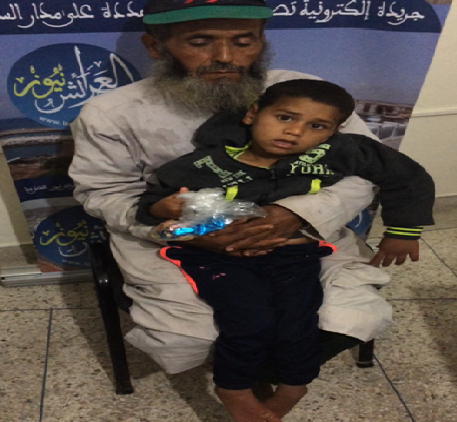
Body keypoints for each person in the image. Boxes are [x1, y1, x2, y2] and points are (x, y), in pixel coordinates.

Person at [69, 0, 394, 395]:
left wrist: (293, 214)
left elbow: (367, 171)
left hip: (302, 234)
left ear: (262, 42)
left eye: (243, 42)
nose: (225, 57)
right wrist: (185, 230)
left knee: (349, 316)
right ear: (156, 46)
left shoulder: (308, 94)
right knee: (188, 334)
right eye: (200, 42)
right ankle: (245, 378)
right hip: (174, 240)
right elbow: (105, 193)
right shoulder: (111, 113)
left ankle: (275, 374)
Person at [133, 79, 434, 421]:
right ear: (252, 114)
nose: (295, 132)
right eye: (285, 118)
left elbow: (407, 176)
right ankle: (233, 386)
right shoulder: (204, 164)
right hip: (218, 257)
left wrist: (403, 231)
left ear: (334, 131)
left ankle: (295, 383)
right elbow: (149, 206)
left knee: (298, 322)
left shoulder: (341, 152)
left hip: (294, 257)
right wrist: (164, 208)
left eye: (317, 126)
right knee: (250, 320)